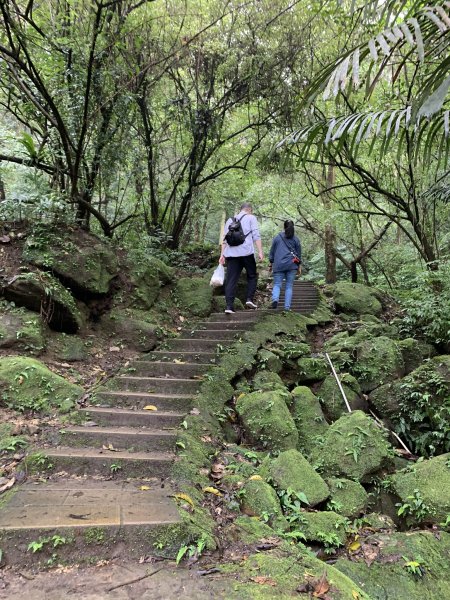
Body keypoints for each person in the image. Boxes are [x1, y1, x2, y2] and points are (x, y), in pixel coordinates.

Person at [219, 202, 264, 314]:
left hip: (231, 255)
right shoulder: (251, 217)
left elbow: (225, 239)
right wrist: (260, 252)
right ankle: (249, 299)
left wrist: (222, 255)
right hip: (247, 253)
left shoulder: (230, 220)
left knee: (231, 280)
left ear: (241, 209)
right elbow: (256, 235)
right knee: (252, 275)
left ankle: (229, 306)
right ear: (249, 210)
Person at [268, 220, 301, 310]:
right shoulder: (296, 239)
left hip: (279, 265)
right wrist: (299, 266)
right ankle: (287, 307)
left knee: (277, 284)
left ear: (284, 227)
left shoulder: (277, 237)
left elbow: (272, 252)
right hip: (292, 265)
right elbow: (298, 254)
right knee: (289, 286)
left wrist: (271, 263)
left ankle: (275, 299)